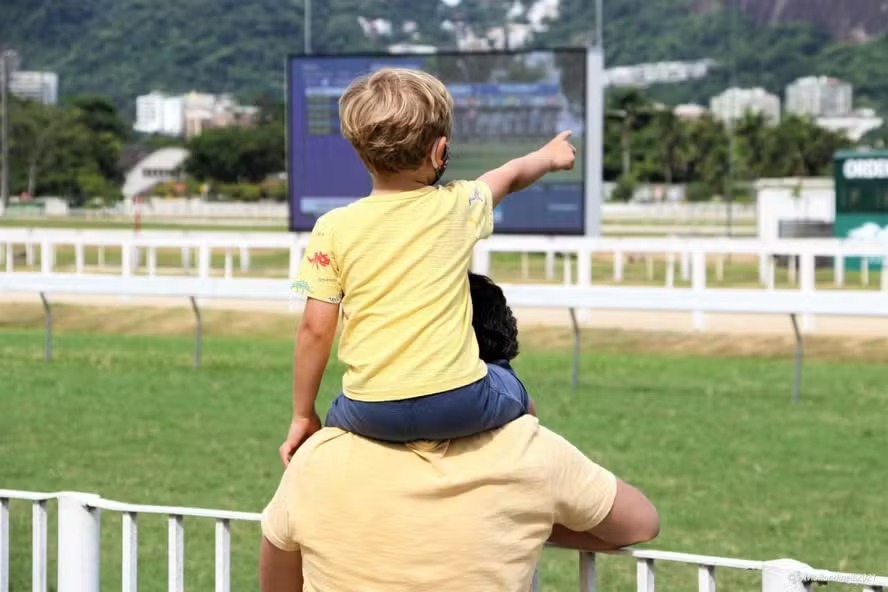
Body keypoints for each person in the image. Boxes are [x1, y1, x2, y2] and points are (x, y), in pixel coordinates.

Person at [259, 273, 660, 592]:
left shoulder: (318, 455)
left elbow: (277, 583)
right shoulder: (530, 450)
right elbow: (639, 523)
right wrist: (520, 523)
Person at [280, 68, 576, 462]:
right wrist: (548, 156)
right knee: (510, 387)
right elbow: (509, 175)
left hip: (367, 408)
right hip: (458, 398)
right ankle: (530, 474)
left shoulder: (331, 228)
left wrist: (303, 414)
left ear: (359, 151)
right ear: (440, 152)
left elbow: (315, 330)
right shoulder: (457, 204)